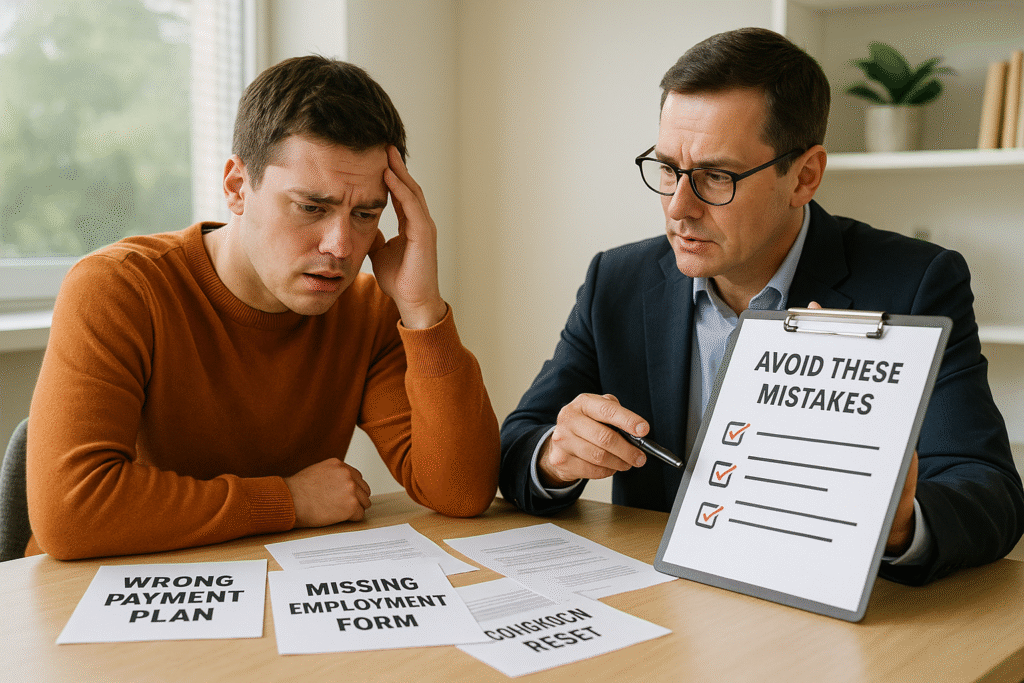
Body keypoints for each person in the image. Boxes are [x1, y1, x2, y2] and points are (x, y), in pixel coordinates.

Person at [499, 27, 1024, 585]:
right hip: (660, 605)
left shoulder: (914, 282)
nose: (678, 207)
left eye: (716, 177)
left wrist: (896, 526)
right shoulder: (618, 280)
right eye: (669, 168)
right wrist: (555, 456)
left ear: (805, 176)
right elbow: (518, 442)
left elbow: (989, 489)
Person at [27, 55, 500, 560]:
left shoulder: (368, 312)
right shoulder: (118, 289)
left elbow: (461, 493)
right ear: (237, 188)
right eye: (311, 208)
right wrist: (289, 500)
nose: (341, 246)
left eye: (365, 214)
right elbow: (70, 514)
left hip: (273, 593)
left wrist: (422, 309)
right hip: (99, 602)